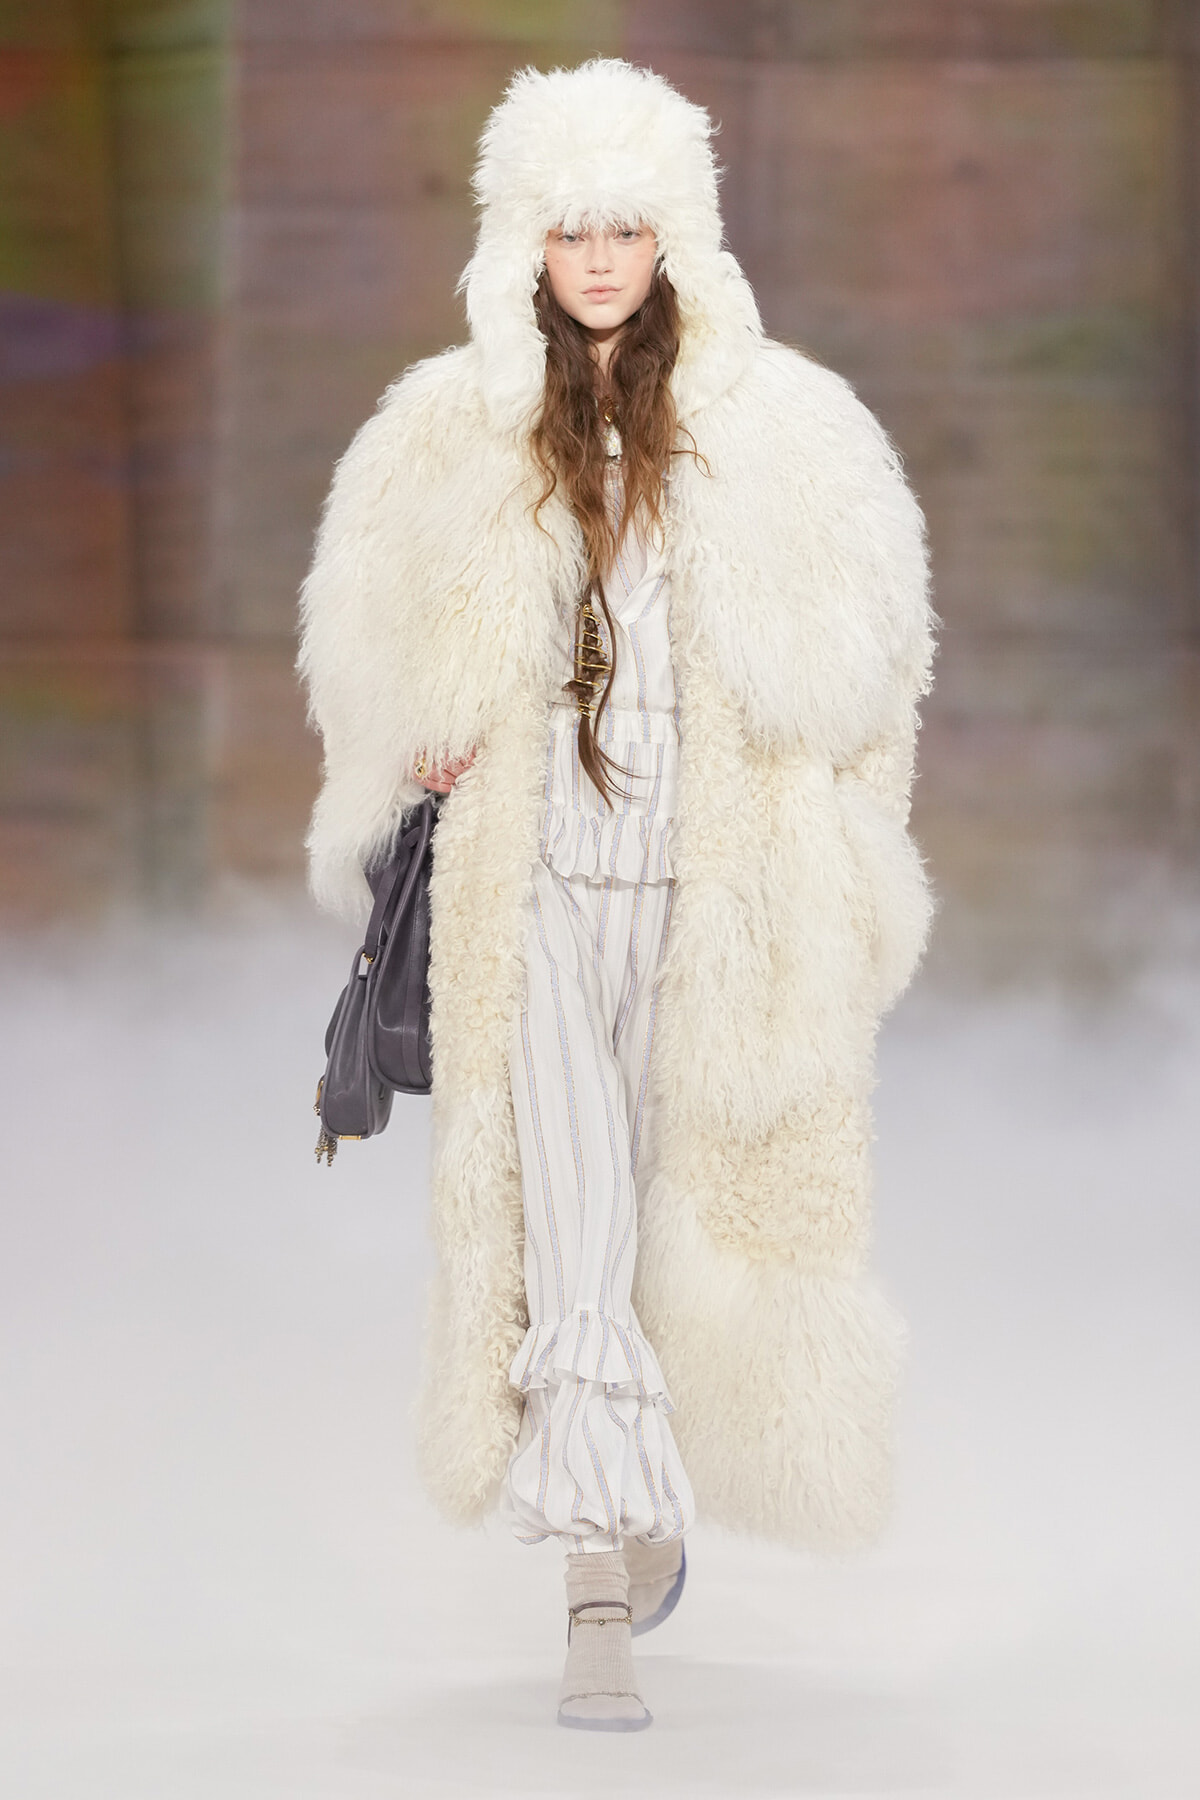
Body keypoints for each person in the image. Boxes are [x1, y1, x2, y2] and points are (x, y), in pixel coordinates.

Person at [297, 58, 934, 1732]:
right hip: (530, 892)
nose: (596, 256)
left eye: (625, 225)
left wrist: (840, 874)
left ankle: (639, 1498)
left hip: (712, 896)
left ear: (675, 234)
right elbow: (367, 657)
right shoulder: (448, 430)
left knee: (675, 1214)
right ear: (525, 233)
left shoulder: (787, 432)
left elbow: (880, 680)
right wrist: (417, 741)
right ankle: (596, 1589)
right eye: (569, 225)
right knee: (565, 1224)